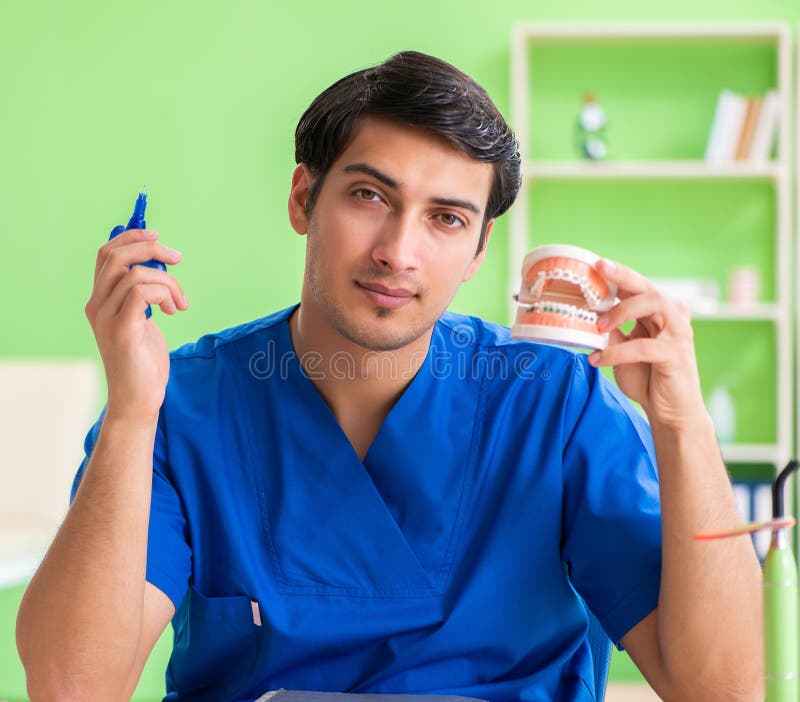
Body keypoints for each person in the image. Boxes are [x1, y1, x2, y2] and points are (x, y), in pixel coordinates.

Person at [17, 51, 762, 702]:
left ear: (477, 249)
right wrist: (129, 414)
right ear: (305, 198)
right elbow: (73, 687)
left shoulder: (555, 404)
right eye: (370, 196)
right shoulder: (182, 407)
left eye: (445, 218)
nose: (398, 252)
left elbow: (724, 689)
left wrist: (683, 425)